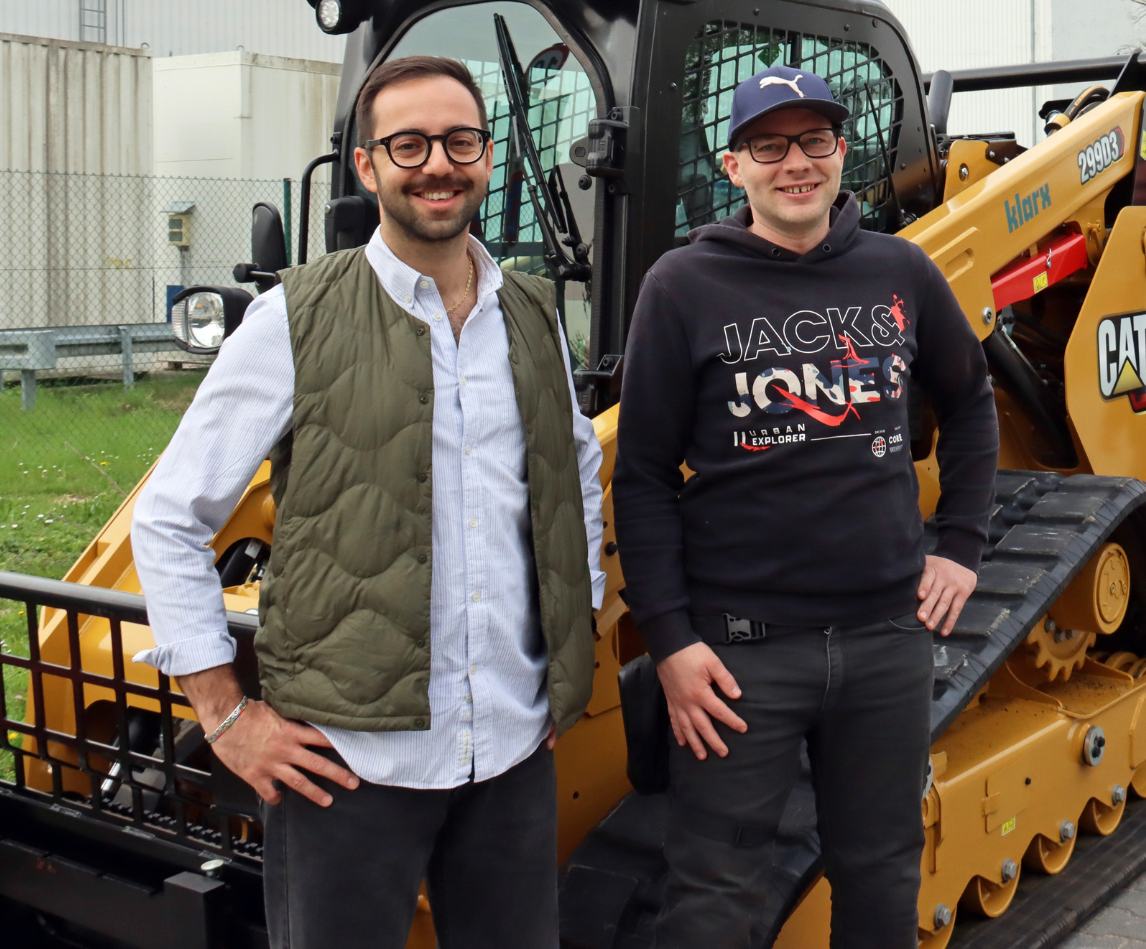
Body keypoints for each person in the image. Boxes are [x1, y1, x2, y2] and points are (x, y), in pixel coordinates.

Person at [132, 53, 606, 949]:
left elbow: (573, 474)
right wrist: (228, 717)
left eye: (459, 140)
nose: (438, 163)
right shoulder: (295, 318)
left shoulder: (534, 313)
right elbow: (169, 515)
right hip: (348, 765)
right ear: (367, 165)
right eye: (410, 143)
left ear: (490, 155)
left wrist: (567, 642)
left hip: (509, 750)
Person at [613, 64, 999, 947]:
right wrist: (670, 640)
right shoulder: (681, 285)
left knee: (881, 873)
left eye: (814, 140)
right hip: (740, 657)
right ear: (733, 163)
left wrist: (963, 546)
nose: (797, 162)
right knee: (714, 896)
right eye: (770, 144)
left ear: (841, 153)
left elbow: (972, 401)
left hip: (885, 643)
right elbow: (641, 476)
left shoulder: (900, 269)